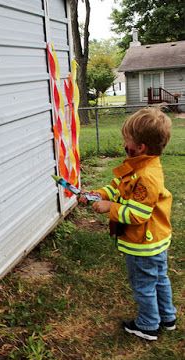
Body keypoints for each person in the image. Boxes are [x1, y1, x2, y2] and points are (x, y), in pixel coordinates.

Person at [84, 107, 177, 341]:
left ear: (140, 146)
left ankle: (148, 325)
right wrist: (98, 194)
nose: (124, 143)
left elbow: (138, 214)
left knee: (144, 284)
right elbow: (117, 186)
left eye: (127, 139)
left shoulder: (146, 175)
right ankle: (167, 317)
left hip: (143, 244)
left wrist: (110, 208)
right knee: (159, 278)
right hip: (157, 240)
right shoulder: (140, 165)